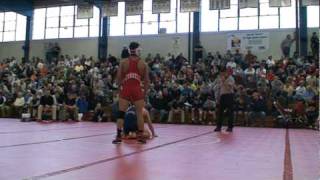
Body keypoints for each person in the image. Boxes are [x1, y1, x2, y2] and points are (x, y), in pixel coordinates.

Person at [112, 42, 150, 144]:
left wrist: (120, 89)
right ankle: (141, 136)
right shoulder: (143, 64)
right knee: (139, 114)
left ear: (129, 50)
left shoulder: (123, 62)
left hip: (126, 87)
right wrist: (144, 94)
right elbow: (147, 81)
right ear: (138, 50)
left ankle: (119, 136)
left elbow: (118, 78)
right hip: (137, 88)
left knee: (121, 113)